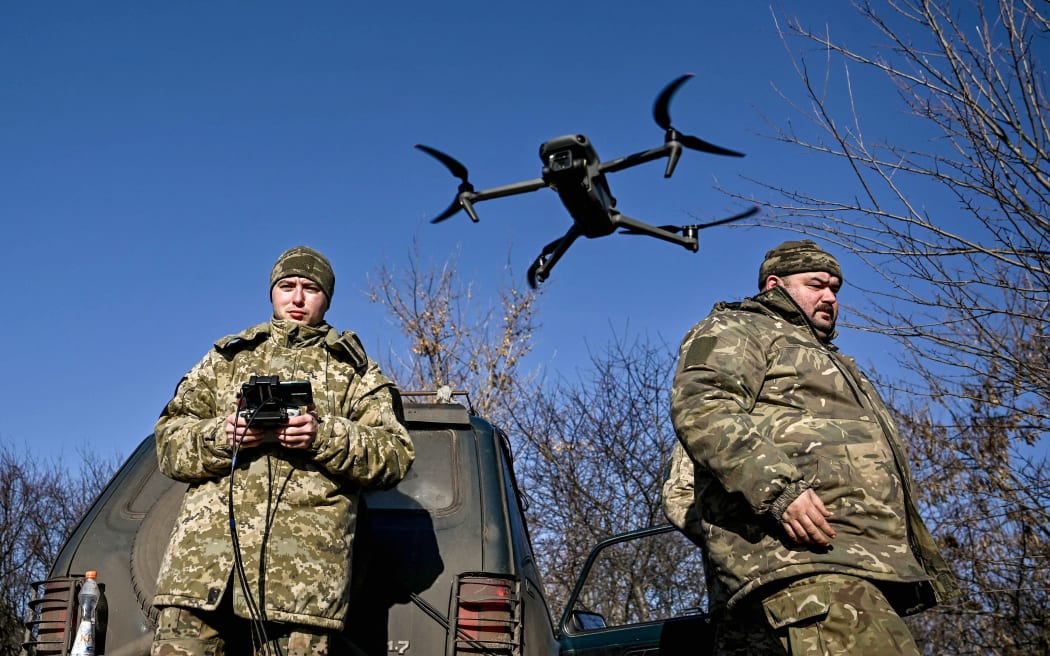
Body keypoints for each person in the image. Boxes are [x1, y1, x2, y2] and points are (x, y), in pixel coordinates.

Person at [664, 239, 957, 655]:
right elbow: (703, 406)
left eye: (836, 288)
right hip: (812, 570)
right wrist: (777, 496)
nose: (830, 297)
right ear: (773, 285)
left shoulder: (832, 360)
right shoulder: (741, 329)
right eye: (816, 283)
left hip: (845, 565)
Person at [151, 245, 415, 656]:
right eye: (287, 286)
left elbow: (396, 454)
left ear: (326, 298)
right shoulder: (228, 359)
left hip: (300, 586)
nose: (296, 298)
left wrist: (321, 436)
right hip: (202, 576)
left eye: (310, 288)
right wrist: (226, 434)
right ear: (272, 291)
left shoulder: (353, 371)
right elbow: (168, 442)